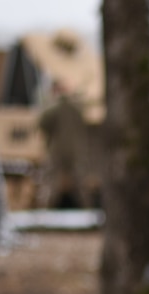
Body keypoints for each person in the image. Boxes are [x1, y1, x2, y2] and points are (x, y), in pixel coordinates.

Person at [37, 80, 88, 209]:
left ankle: (47, 205)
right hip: (76, 151)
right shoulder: (77, 110)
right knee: (78, 180)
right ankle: (85, 205)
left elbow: (42, 124)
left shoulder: (54, 109)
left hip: (57, 150)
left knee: (52, 179)